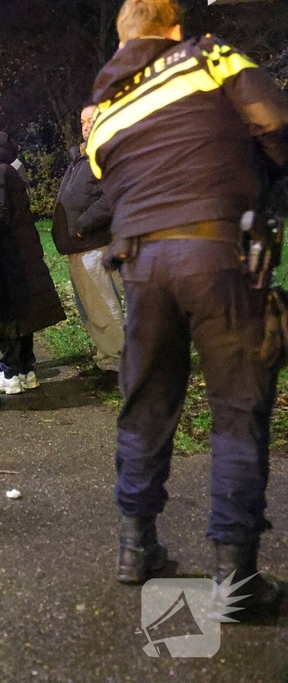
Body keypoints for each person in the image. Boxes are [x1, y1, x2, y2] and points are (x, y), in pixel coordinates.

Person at [87, 0, 288, 615]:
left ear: (123, 42)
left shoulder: (103, 112)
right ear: (171, 28)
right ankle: (237, 583)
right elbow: (276, 120)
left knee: (145, 401)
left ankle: (135, 547)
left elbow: (102, 180)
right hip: (215, 252)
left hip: (141, 268)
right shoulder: (205, 55)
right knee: (236, 404)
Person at [0, 128, 65, 395]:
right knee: (21, 313)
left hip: (4, 257)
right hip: (18, 254)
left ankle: (11, 372)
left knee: (6, 316)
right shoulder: (1, 168)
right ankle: (26, 371)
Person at [51, 103, 124, 374]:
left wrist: (83, 225)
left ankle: (119, 364)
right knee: (92, 310)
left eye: (92, 120)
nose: (85, 126)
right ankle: (106, 358)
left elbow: (114, 195)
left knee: (106, 307)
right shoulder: (82, 156)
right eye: (82, 121)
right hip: (78, 247)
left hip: (95, 245)